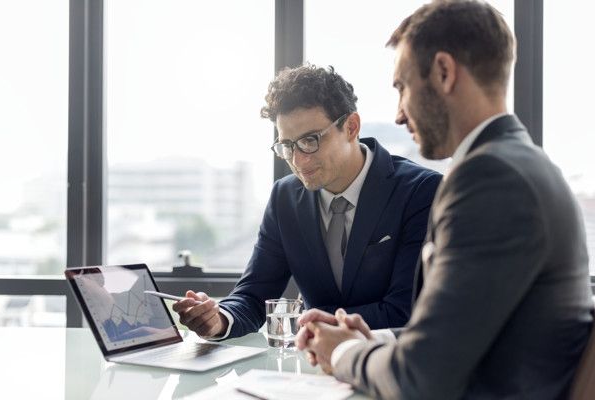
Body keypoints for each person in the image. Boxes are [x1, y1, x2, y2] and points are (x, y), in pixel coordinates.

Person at [296, 1, 594, 399]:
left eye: (402, 87)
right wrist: (374, 338)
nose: (399, 115)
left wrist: (344, 352)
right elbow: (466, 331)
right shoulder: (521, 165)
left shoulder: (491, 180)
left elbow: (421, 379)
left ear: (443, 72)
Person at [172, 64, 442, 339]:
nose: (299, 160)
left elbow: (404, 312)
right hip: (311, 369)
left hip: (389, 365)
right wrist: (218, 319)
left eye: (310, 140)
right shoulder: (284, 198)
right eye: (287, 146)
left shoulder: (420, 191)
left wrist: (305, 325)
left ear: (351, 126)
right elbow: (253, 295)